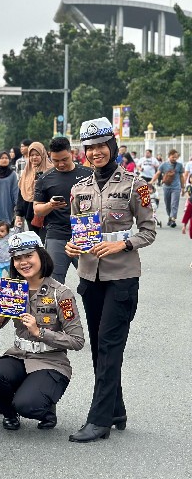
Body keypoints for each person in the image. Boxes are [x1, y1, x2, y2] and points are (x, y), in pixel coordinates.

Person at [65, 117, 155, 443]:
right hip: (90, 276)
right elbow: (77, 230)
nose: (96, 152)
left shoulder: (135, 185)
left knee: (109, 345)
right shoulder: (79, 188)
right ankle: (115, 408)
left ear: (112, 146)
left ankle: (99, 420)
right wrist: (70, 245)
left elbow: (149, 231)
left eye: (101, 145)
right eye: (90, 148)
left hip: (122, 277)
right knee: (99, 349)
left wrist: (122, 243)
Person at [0, 231, 85, 431]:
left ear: (41, 256)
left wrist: (40, 332)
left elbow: (77, 341)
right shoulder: (12, 289)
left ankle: (44, 408)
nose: (23, 262)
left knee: (28, 405)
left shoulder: (61, 293)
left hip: (50, 361)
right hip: (19, 355)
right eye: (18, 258)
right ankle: (10, 415)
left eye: (29, 256)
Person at [32, 137, 93, 284]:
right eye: (55, 160)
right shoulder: (45, 179)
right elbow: (37, 210)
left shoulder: (89, 174)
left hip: (85, 233)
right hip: (56, 235)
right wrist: (50, 205)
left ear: (72, 153)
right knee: (53, 282)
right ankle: (56, 308)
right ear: (49, 156)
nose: (60, 164)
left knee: (91, 281)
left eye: (64, 159)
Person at [15, 141, 53, 237]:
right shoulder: (26, 172)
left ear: (43, 154)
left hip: (49, 215)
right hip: (30, 214)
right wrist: (18, 214)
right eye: (31, 155)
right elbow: (21, 193)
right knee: (36, 244)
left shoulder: (52, 171)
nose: (34, 157)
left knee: (46, 243)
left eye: (37, 154)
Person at [152, 148, 183, 227]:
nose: (174, 159)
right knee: (168, 204)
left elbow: (181, 176)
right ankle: (170, 216)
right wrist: (152, 181)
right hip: (166, 187)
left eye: (176, 157)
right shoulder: (164, 165)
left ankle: (173, 219)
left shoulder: (179, 165)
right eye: (173, 157)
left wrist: (183, 187)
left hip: (176, 187)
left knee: (174, 203)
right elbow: (158, 173)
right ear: (169, 156)